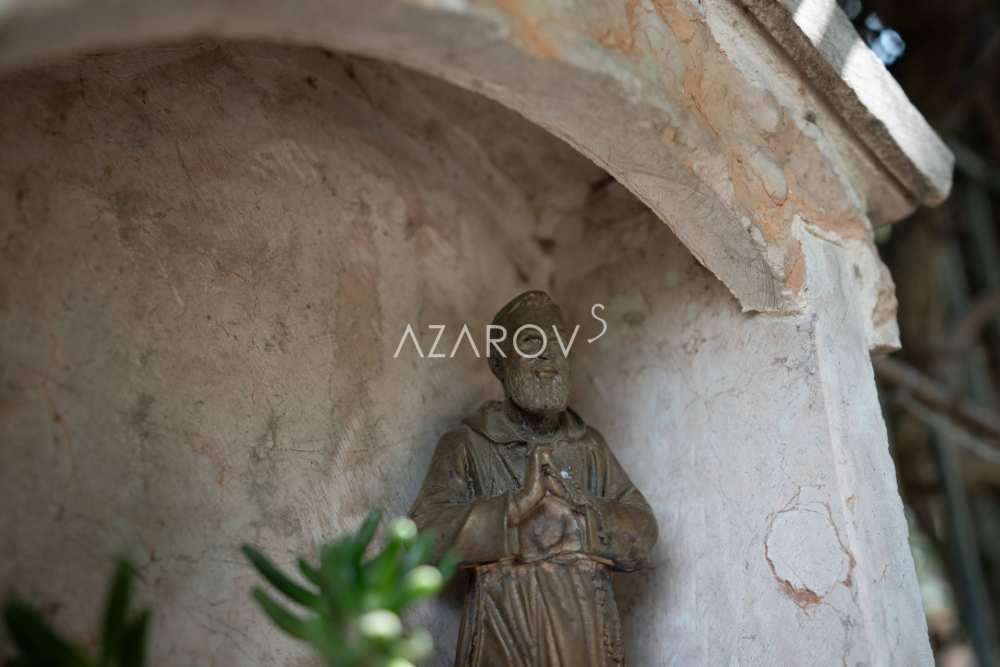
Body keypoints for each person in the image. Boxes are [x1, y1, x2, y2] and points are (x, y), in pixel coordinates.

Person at [409, 290, 658, 667]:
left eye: (557, 342)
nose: (548, 355)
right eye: (531, 341)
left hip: (586, 639)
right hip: (503, 632)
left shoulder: (589, 445)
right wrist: (511, 516)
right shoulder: (467, 444)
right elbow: (422, 536)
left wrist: (583, 521)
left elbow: (643, 529)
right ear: (499, 363)